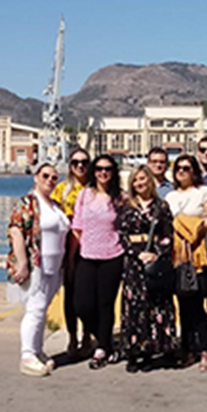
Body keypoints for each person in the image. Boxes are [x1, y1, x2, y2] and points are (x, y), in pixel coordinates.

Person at [7, 162, 70, 376]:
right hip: (37, 264)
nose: (50, 180)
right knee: (35, 309)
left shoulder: (54, 204)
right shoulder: (27, 203)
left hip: (55, 266)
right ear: (36, 177)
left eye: (54, 177)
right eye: (45, 176)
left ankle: (37, 350)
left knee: (42, 309)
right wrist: (23, 263)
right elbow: (16, 231)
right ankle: (27, 355)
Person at [117, 165, 177, 373]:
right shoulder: (126, 207)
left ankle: (155, 349)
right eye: (136, 180)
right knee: (134, 306)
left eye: (143, 179)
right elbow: (121, 235)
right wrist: (135, 253)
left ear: (150, 181)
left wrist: (156, 253)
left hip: (154, 262)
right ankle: (134, 352)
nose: (139, 183)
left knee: (156, 305)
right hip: (134, 264)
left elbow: (169, 234)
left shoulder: (161, 207)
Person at [165, 154, 207, 372]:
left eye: (186, 168)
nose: (182, 171)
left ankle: (205, 349)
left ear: (194, 171)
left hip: (197, 256)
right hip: (176, 256)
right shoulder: (169, 196)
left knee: (197, 304)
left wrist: (191, 226)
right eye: (178, 168)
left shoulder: (204, 192)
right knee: (183, 304)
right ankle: (187, 349)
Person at [71, 154, 125, 370]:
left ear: (113, 172)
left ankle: (103, 347)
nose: (103, 172)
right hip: (87, 256)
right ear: (94, 171)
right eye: (99, 168)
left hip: (112, 256)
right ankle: (104, 340)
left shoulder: (120, 198)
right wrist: (71, 257)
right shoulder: (84, 195)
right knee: (82, 305)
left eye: (108, 169)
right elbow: (77, 226)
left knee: (105, 304)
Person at [51, 148, 91, 359]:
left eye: (84, 162)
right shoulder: (62, 190)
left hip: (93, 248)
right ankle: (73, 337)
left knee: (88, 296)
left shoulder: (96, 189)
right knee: (71, 295)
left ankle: (87, 336)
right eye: (75, 163)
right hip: (69, 250)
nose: (80, 167)